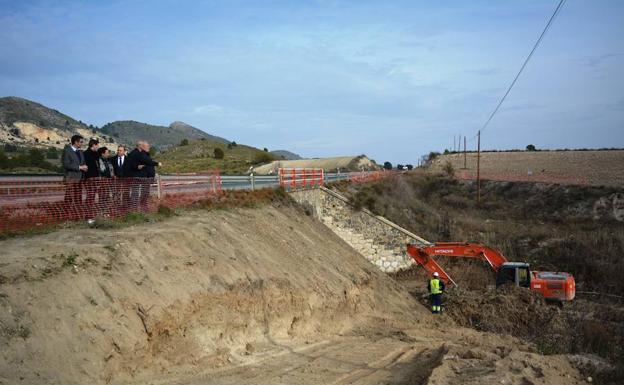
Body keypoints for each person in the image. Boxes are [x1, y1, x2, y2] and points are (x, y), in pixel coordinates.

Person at [126, 141, 162, 210]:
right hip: (139, 177)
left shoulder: (141, 153)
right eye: (146, 146)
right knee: (137, 193)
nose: (148, 147)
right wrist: (157, 164)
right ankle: (137, 209)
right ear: (141, 146)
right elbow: (147, 161)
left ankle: (140, 208)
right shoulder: (139, 154)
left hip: (143, 177)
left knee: (141, 193)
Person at [61, 134, 87, 218]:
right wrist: (80, 167)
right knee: (69, 198)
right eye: (81, 142)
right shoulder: (67, 151)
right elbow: (66, 164)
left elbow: (83, 163)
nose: (82, 143)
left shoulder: (80, 152)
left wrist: (85, 167)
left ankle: (77, 216)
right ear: (75, 142)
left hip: (80, 179)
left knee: (78, 198)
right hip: (71, 179)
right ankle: (65, 215)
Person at [82, 138, 101, 219]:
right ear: (93, 145)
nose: (98, 147)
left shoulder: (96, 154)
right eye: (97, 146)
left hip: (95, 179)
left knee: (92, 197)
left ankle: (90, 214)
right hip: (89, 179)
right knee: (90, 196)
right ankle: (88, 215)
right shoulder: (85, 154)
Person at [110, 145, 129, 209]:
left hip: (126, 181)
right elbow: (111, 169)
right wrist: (113, 175)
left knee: (125, 195)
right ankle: (116, 208)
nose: (118, 151)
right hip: (116, 181)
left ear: (124, 151)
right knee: (116, 195)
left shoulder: (128, 159)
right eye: (118, 150)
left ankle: (125, 208)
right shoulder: (112, 159)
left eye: (120, 150)